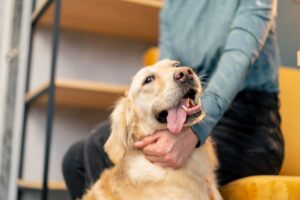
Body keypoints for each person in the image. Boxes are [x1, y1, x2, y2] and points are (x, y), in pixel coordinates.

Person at [62, 0, 284, 199]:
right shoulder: (173, 6)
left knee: (94, 152)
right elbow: (164, 70)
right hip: (185, 104)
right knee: (75, 159)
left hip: (247, 124)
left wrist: (196, 131)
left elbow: (239, 59)